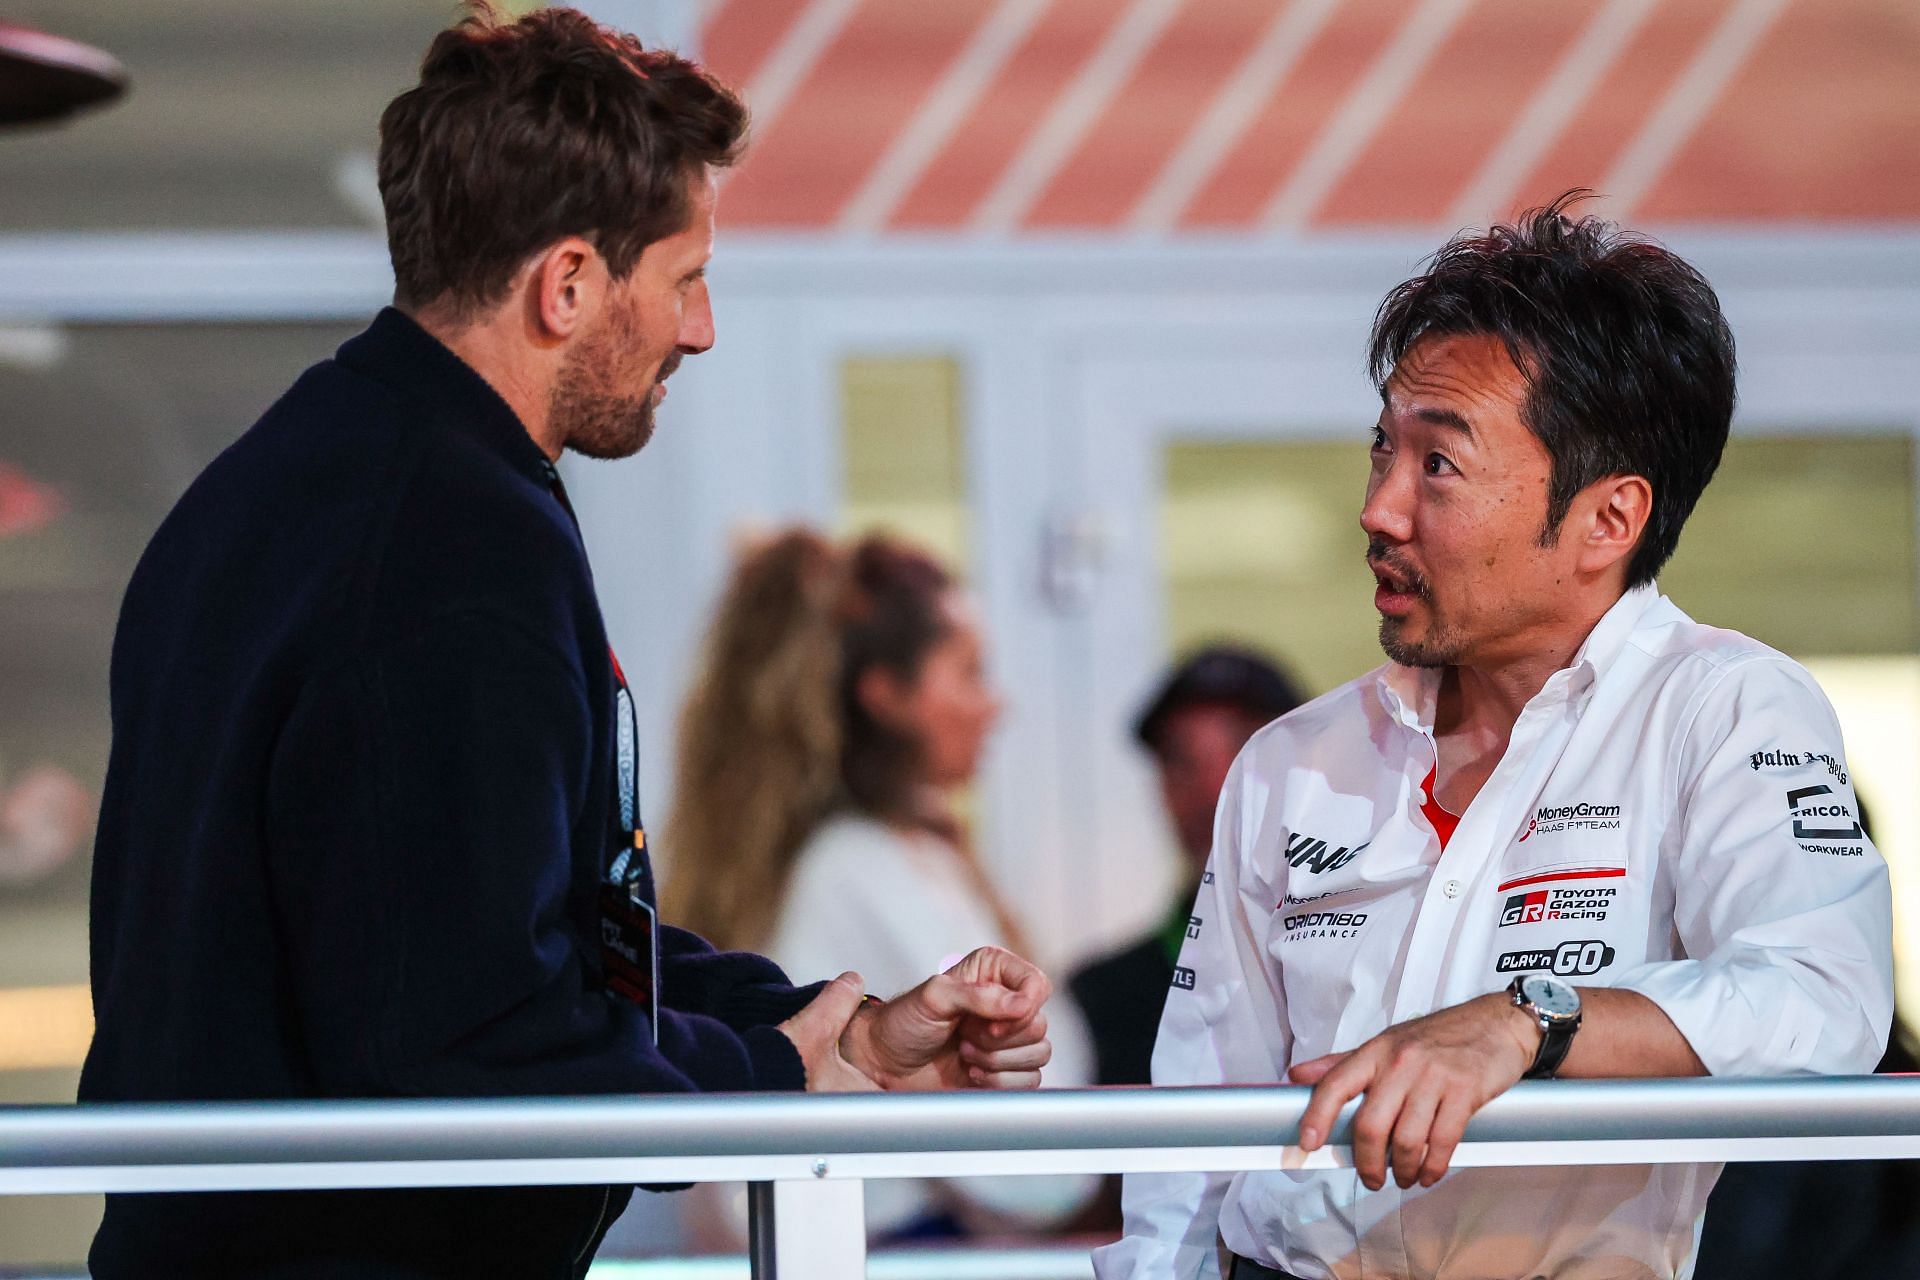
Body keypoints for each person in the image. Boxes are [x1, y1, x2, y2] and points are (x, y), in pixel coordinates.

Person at [78, 9, 1054, 1279]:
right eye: (687, 278)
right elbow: (474, 1041)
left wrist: (825, 1027)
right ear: (572, 283)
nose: (700, 330)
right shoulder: (449, 545)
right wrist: (774, 1067)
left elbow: (510, 933)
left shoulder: (280, 485)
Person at [1093, 192, 1894, 1280]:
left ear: (1609, 519)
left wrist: (1530, 1021)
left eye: (1439, 465)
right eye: (1384, 450)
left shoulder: (1728, 707)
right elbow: (1191, 1141)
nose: (1380, 507)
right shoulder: (1290, 761)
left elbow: (1826, 1004)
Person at [662, 527, 1098, 1240]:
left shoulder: (896, 856)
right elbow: (1020, 1168)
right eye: (970, 672)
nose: (997, 705)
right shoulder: (852, 870)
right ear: (888, 695)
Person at [1071, 644, 1305, 1088]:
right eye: (1180, 760)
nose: (1212, 789)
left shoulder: (1375, 960)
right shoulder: (1099, 997)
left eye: (1246, 752)